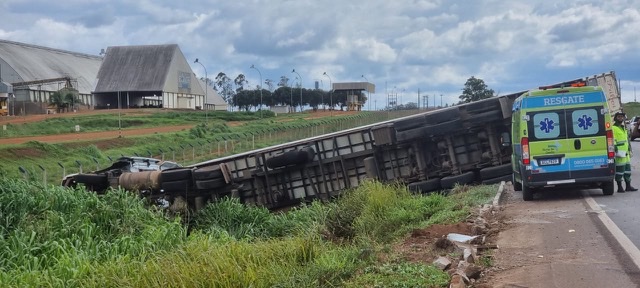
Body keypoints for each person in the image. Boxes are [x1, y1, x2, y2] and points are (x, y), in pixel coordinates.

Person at [612, 111, 638, 192]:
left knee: (627, 170)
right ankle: (619, 187)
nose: (621, 118)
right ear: (616, 118)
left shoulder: (623, 127)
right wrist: (615, 147)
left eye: (622, 117)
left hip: (626, 153)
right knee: (619, 171)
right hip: (619, 153)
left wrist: (629, 149)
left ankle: (628, 186)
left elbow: (627, 140)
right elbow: (613, 139)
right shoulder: (614, 128)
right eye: (619, 117)